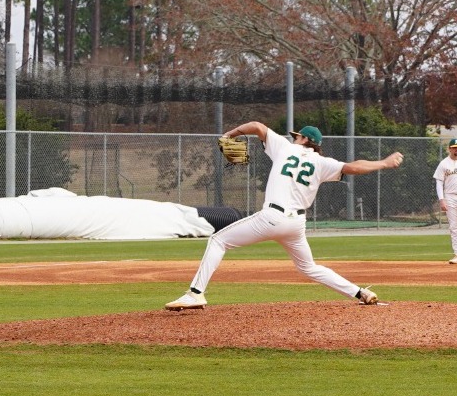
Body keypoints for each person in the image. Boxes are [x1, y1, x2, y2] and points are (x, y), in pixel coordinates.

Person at [165, 122, 405, 310]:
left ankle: (195, 294)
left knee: (218, 240)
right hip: (296, 224)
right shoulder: (322, 162)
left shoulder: (285, 147)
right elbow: (353, 167)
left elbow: (257, 126)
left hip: (272, 217)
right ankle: (360, 292)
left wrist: (230, 134)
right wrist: (383, 163)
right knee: (308, 267)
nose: (293, 138)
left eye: (297, 135)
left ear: (304, 139)